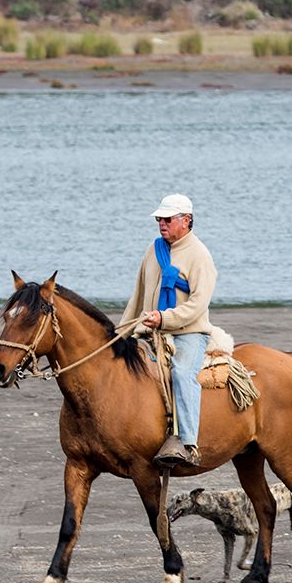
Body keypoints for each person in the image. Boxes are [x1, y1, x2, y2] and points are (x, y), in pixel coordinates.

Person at [119, 193, 218, 468]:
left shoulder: (200, 255)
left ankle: (187, 443)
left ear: (186, 221)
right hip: (150, 330)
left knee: (182, 372)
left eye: (167, 218)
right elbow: (137, 296)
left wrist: (164, 318)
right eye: (159, 219)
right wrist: (120, 333)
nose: (161, 223)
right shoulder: (153, 250)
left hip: (188, 333)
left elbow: (198, 305)